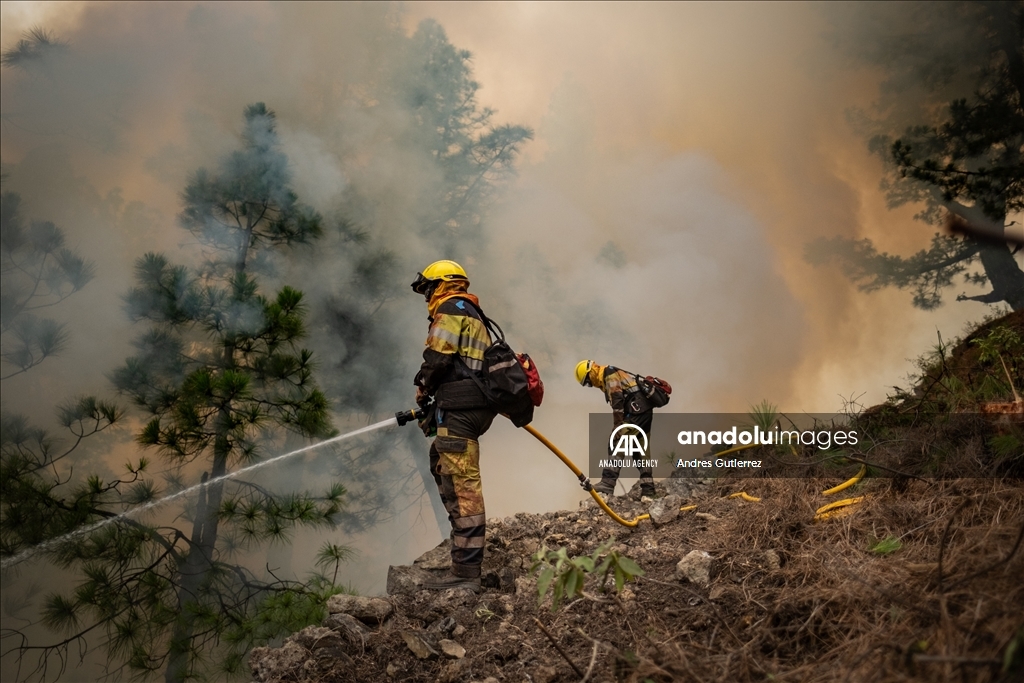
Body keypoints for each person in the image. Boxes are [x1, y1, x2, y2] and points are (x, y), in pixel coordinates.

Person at [411, 259, 496, 593]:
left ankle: (465, 572)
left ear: (442, 285)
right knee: (442, 463)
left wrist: (422, 387)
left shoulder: (450, 309)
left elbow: (438, 357)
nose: (427, 296)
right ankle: (462, 542)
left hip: (462, 408)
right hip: (471, 405)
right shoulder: (471, 311)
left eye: (428, 288)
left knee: (462, 485)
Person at [575, 359, 657, 499]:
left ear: (591, 372)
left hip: (636, 411)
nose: (590, 385)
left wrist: (618, 425)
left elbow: (617, 399)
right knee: (640, 449)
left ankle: (608, 482)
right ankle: (648, 490)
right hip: (644, 411)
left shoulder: (609, 374)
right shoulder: (610, 373)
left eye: (588, 381)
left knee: (617, 442)